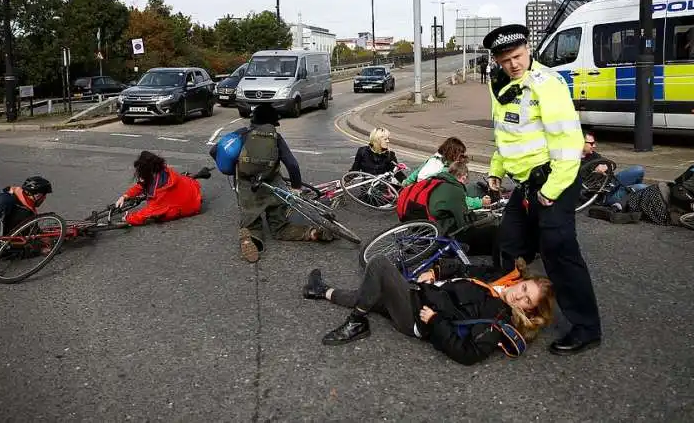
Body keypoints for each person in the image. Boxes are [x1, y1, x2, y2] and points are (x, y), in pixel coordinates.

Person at [483, 24, 602, 355]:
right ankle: (505, 306)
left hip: (555, 178)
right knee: (508, 244)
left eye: (518, 56)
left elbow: (568, 142)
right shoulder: (501, 85)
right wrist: (496, 171)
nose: (514, 64)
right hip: (525, 183)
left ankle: (586, 327)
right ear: (496, 60)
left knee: (559, 249)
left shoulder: (547, 84)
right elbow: (505, 134)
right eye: (505, 60)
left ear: (528, 49)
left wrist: (551, 190)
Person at [302, 256, 555, 366]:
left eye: (526, 300)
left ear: (530, 311)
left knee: (379, 266)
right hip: (420, 294)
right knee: (370, 295)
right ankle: (322, 290)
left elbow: (469, 354)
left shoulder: (499, 318)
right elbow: (466, 270)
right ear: (521, 281)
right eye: (523, 288)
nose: (518, 295)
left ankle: (356, 323)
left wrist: (435, 323)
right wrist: (436, 271)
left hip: (416, 315)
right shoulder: (501, 282)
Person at [209, 103, 332, 263]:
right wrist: (295, 187)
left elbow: (214, 151)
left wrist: (233, 170)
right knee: (280, 227)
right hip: (274, 187)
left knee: (252, 223)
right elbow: (292, 164)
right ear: (273, 123)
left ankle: (249, 238)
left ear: (253, 119)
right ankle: (312, 233)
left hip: (248, 188)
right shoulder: (276, 138)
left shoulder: (242, 134)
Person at [397, 161, 498, 259]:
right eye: (465, 180)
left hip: (408, 215)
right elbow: (462, 222)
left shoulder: (434, 179)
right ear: (463, 176)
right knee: (464, 229)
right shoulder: (455, 190)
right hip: (427, 222)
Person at [114, 151, 203, 226]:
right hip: (191, 187)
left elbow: (146, 213)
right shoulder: (162, 170)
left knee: (162, 216)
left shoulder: (160, 192)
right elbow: (142, 185)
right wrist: (125, 196)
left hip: (193, 204)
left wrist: (128, 218)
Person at [402, 137, 491, 210]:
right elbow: (456, 197)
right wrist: (480, 202)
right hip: (433, 205)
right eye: (461, 154)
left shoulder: (433, 159)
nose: (461, 157)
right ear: (453, 154)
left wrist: (405, 183)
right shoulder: (445, 172)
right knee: (472, 188)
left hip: (416, 199)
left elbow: (415, 174)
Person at [581, 131, 646, 207]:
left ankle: (629, 197)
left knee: (638, 169)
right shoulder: (572, 162)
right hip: (604, 195)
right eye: (591, 143)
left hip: (612, 183)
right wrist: (595, 171)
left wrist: (606, 166)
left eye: (594, 143)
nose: (594, 146)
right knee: (642, 188)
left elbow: (611, 164)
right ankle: (627, 199)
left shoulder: (592, 154)